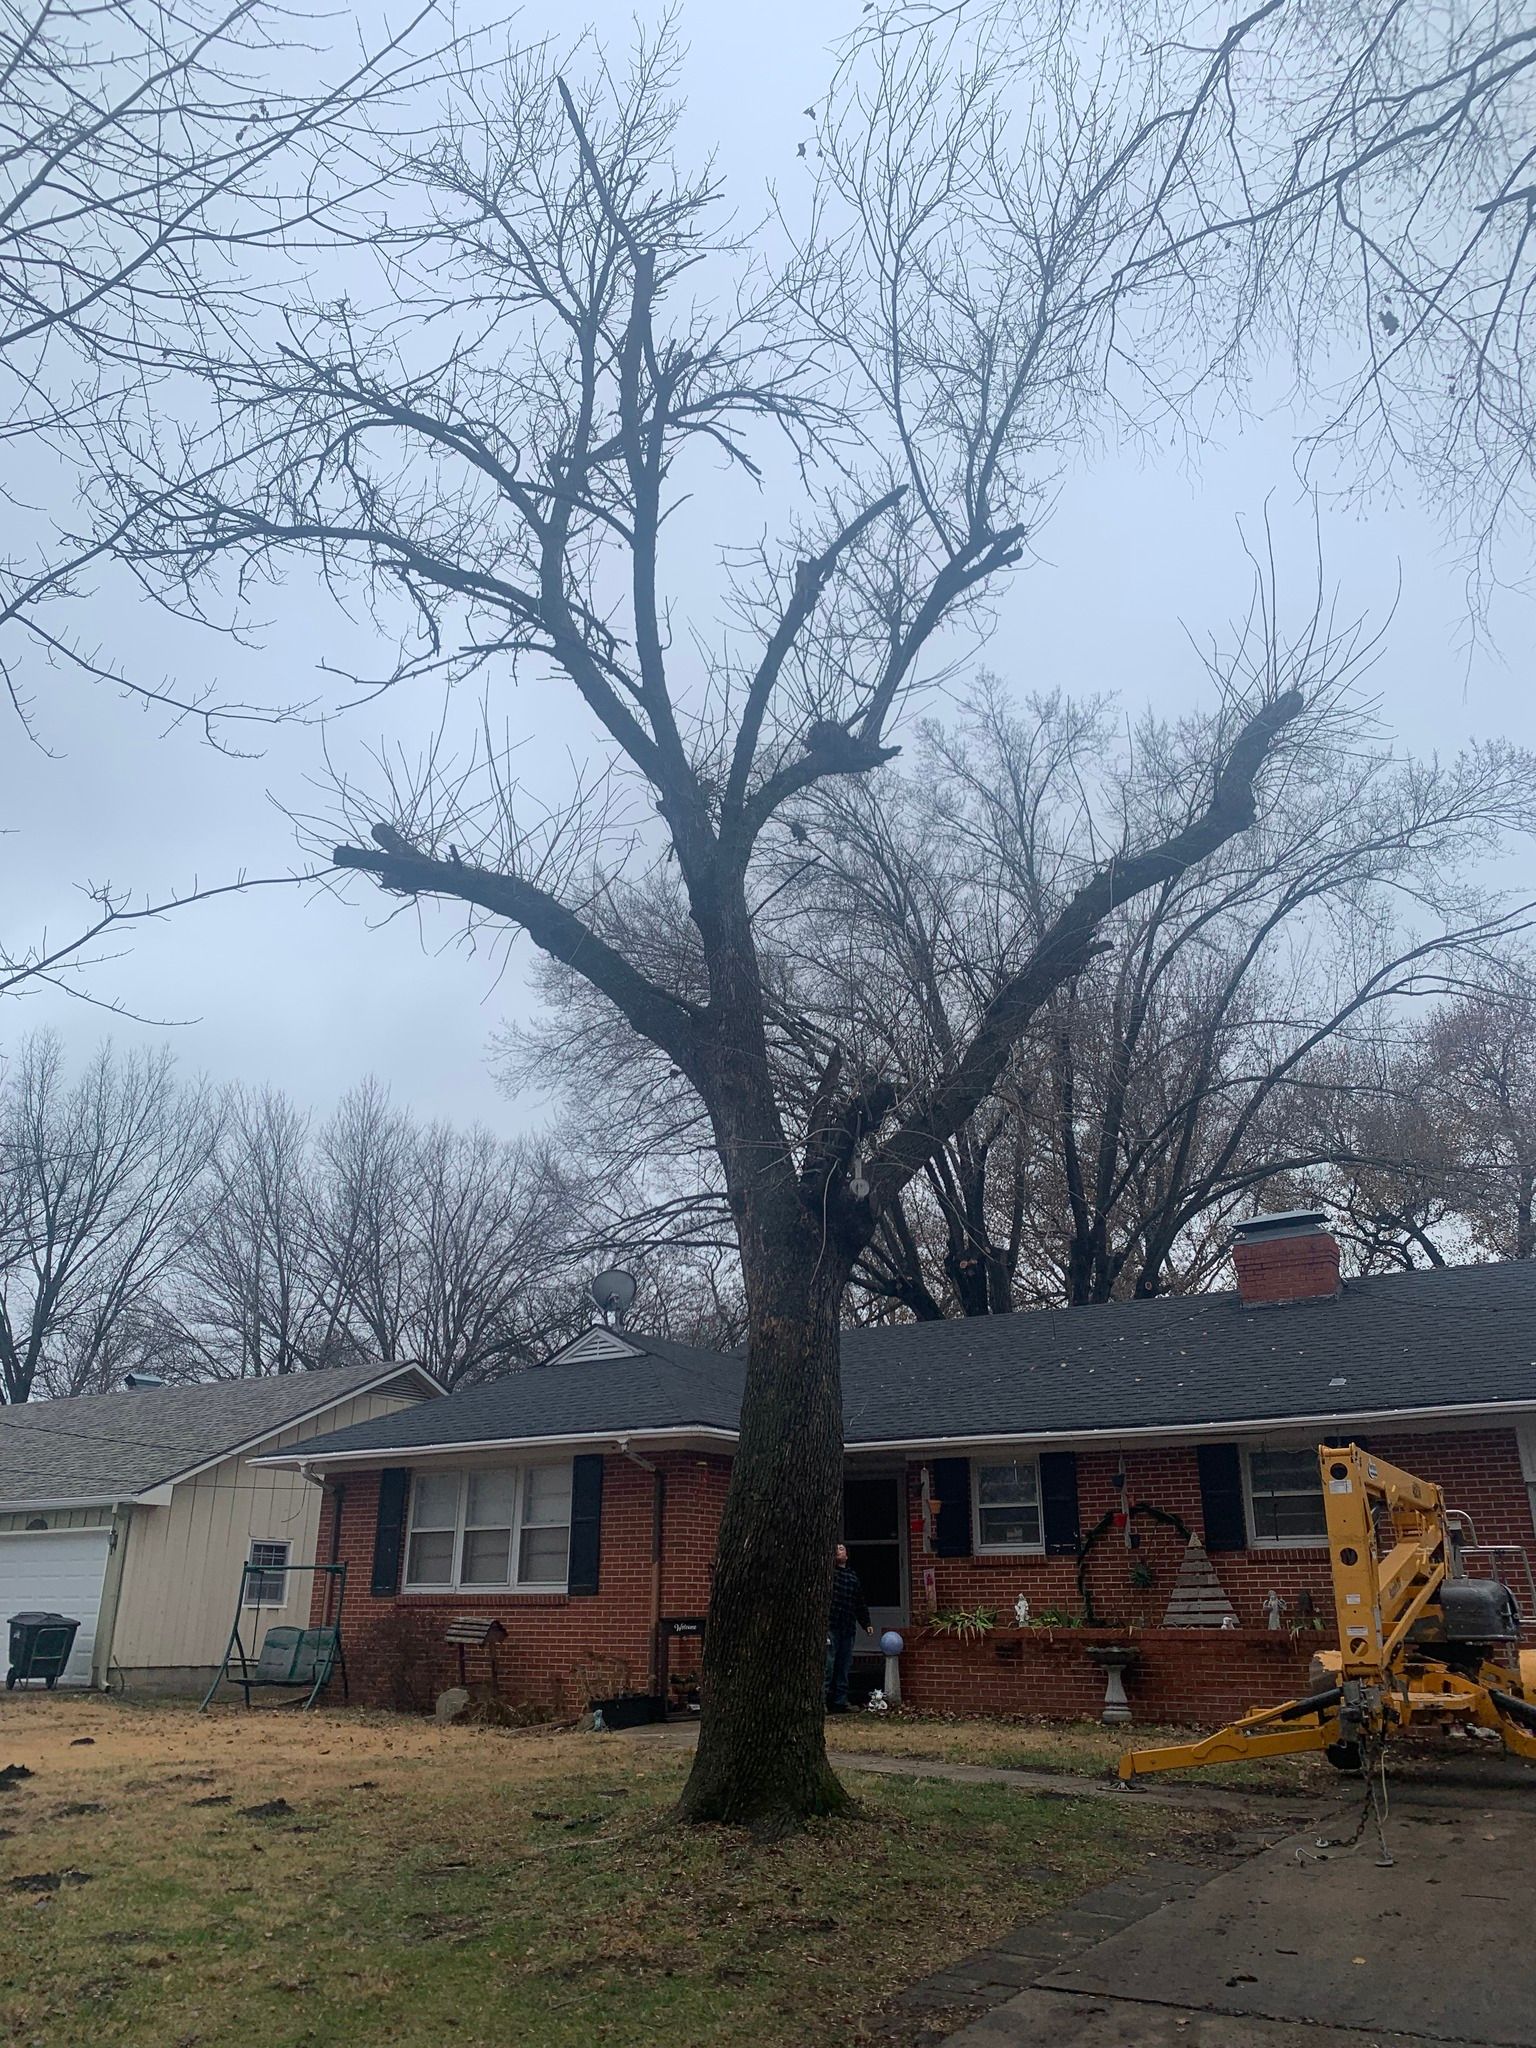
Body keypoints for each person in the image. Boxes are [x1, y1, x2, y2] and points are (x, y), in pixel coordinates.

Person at [826, 1542, 872, 1713]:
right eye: (836, 1549)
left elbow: (859, 1603)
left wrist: (866, 1623)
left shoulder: (852, 1577)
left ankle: (841, 1701)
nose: (839, 1551)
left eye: (841, 1549)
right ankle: (823, 1700)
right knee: (828, 1665)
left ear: (846, 1555)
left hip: (847, 1628)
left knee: (844, 1666)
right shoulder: (829, 1575)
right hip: (831, 1627)